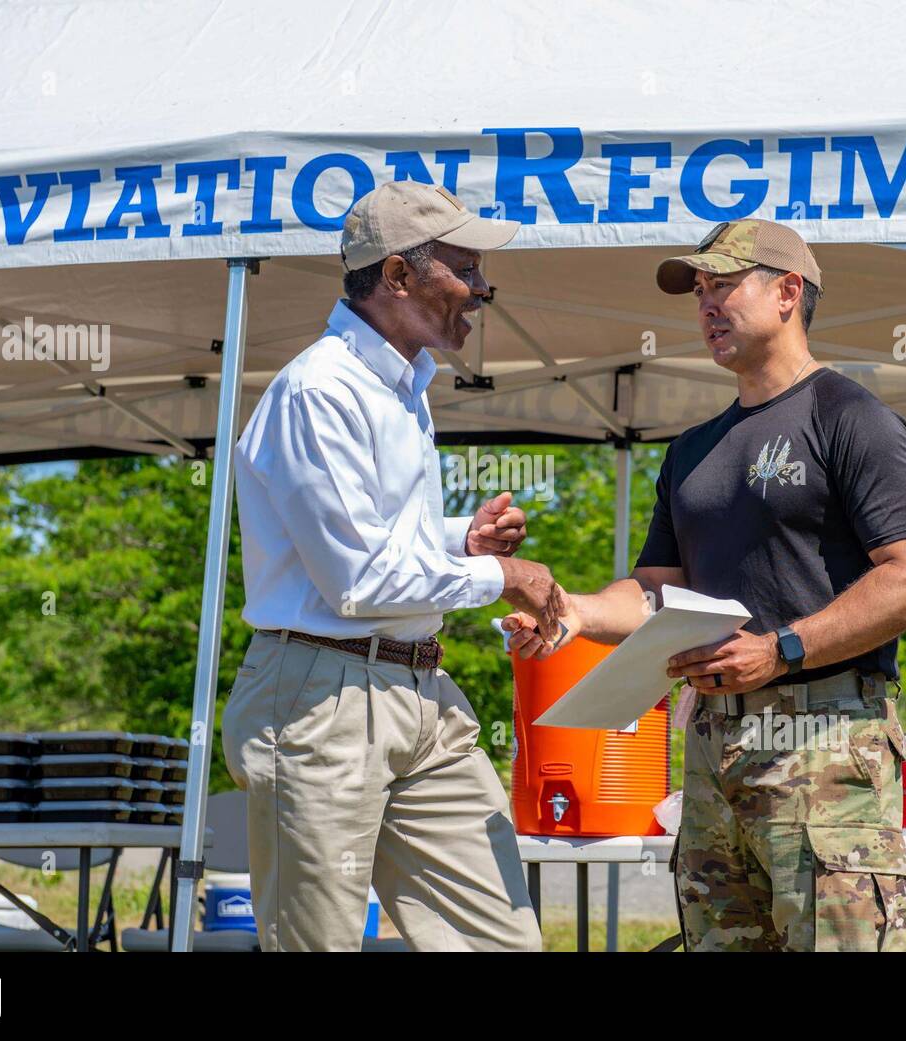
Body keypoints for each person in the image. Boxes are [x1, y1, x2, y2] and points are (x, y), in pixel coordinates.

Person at [504, 218, 906, 951]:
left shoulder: (851, 418)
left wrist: (783, 649)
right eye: (699, 291)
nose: (707, 304)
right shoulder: (694, 449)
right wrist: (573, 613)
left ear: (787, 292)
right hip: (713, 750)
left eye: (724, 284)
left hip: (826, 743)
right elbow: (658, 591)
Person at [222, 181, 564, 951]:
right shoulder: (319, 390)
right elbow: (361, 582)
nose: (482, 289)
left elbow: (372, 539)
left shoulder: (402, 386)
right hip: (320, 699)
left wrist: (459, 542)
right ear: (398, 277)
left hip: (413, 692)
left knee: (502, 940)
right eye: (465, 268)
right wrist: (505, 577)